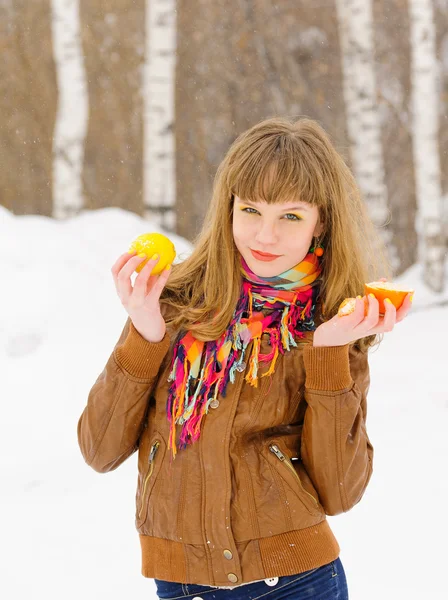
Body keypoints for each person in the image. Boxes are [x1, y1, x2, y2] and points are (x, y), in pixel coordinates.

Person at [77, 116, 413, 599]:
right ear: (228, 208)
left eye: (291, 216)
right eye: (251, 209)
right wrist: (145, 334)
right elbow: (99, 449)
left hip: (298, 584)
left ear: (321, 225)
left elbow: (340, 490)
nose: (265, 236)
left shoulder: (331, 324)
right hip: (182, 585)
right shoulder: (174, 304)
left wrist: (329, 353)